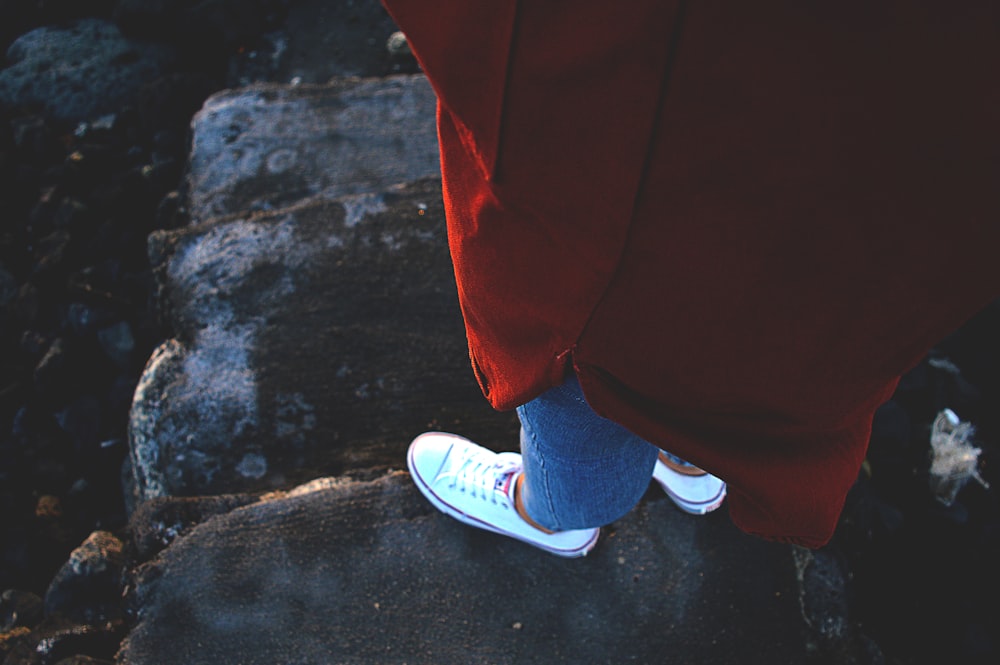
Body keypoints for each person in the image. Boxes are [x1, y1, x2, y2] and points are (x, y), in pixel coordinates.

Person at [381, 0, 1000, 554]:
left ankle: (557, 517)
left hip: (630, 212)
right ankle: (691, 464)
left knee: (583, 368)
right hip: (855, 228)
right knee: (760, 334)